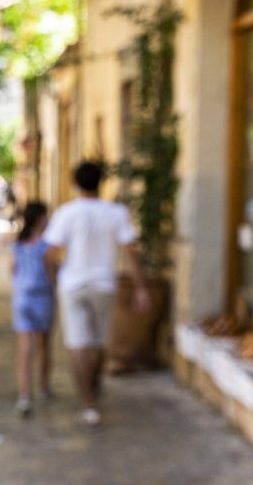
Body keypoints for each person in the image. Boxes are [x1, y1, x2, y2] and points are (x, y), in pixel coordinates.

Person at [43, 161, 150, 428]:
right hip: (104, 285)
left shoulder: (66, 213)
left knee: (78, 344)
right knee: (99, 343)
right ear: (101, 182)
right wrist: (141, 287)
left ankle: (88, 402)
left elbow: (49, 254)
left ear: (75, 183)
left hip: (73, 285)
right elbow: (131, 252)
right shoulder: (116, 213)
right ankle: (95, 387)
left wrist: (55, 279)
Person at [11, 201, 55, 417]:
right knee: (44, 345)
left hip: (21, 298)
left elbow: (12, 269)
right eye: (46, 216)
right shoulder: (46, 246)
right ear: (39, 219)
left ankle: (25, 395)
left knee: (25, 349)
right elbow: (51, 273)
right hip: (42, 298)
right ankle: (43, 388)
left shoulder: (17, 244)